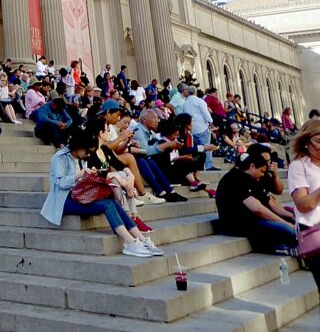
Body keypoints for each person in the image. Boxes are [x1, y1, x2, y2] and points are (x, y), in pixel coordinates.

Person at [39, 129, 162, 258]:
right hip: (64, 200)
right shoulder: (60, 158)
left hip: (81, 194)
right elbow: (59, 183)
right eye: (87, 151)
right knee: (107, 205)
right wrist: (79, 176)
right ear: (78, 146)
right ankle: (131, 243)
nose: (88, 154)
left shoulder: (82, 159)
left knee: (113, 201)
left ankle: (142, 239)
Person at [215, 150, 297, 254]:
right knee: (288, 229)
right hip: (237, 224)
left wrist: (290, 216)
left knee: (295, 223)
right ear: (252, 166)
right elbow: (257, 209)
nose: (263, 175)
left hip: (252, 219)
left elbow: (269, 201)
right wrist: (284, 223)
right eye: (262, 171)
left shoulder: (251, 179)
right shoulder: (235, 178)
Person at [288, 119, 320, 288]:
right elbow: (303, 204)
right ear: (306, 142)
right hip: (315, 231)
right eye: (319, 141)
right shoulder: (298, 167)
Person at [180, 84, 217, 171]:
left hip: (191, 129)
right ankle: (209, 165)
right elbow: (205, 112)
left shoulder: (185, 103)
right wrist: (210, 121)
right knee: (207, 146)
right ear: (195, 92)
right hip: (201, 127)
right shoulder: (199, 101)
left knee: (196, 149)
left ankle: (199, 166)